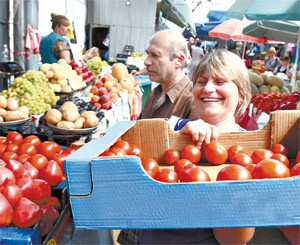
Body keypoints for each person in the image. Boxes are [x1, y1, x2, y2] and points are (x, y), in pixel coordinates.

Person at [137, 49, 261, 245]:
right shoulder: (172, 127)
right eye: (201, 82)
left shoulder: (251, 152)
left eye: (220, 82)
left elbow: (233, 240)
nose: (208, 89)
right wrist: (179, 134)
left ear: (241, 96)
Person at [138, 30, 198, 120]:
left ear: (179, 60)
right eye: (148, 54)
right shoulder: (155, 93)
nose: (146, 62)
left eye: (155, 55)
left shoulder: (193, 101)